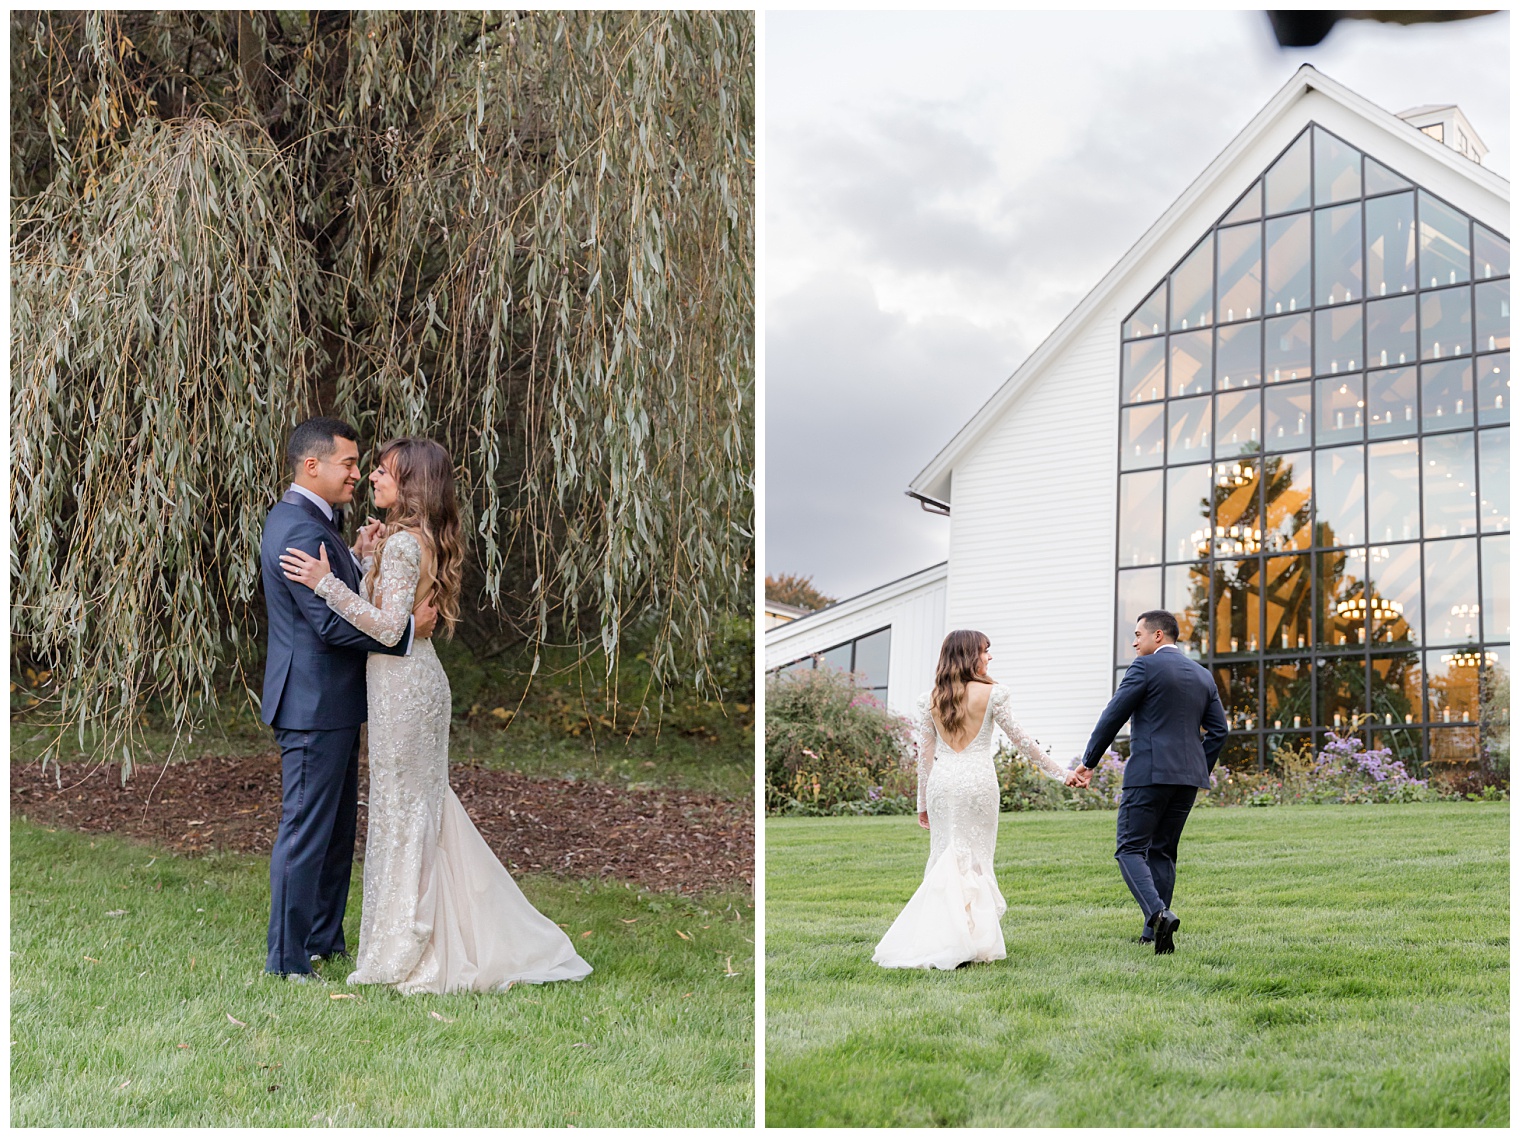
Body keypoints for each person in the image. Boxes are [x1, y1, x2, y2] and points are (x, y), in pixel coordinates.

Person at [280, 436, 591, 993]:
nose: (371, 478)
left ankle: (407, 943)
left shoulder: (404, 545)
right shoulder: (404, 540)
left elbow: (385, 625)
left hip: (403, 689)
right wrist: (364, 557)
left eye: (382, 472)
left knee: (404, 812)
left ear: (411, 485)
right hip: (408, 683)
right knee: (415, 810)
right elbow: (395, 610)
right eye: (367, 468)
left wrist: (323, 582)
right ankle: (432, 931)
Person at [260, 416, 438, 982]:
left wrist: (355, 558)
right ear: (312, 466)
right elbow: (328, 626)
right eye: (350, 464)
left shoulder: (318, 521)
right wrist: (407, 632)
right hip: (312, 706)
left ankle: (322, 939)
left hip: (332, 704)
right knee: (307, 830)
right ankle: (286, 960)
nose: (358, 475)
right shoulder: (296, 528)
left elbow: (341, 596)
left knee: (335, 833)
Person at [873, 629, 1069, 970]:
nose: (989, 657)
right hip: (978, 782)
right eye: (986, 650)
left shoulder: (931, 698)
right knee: (976, 858)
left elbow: (925, 758)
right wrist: (1062, 773)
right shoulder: (994, 695)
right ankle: (972, 941)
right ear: (970, 655)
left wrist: (921, 803)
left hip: (942, 783)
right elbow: (1023, 743)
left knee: (946, 855)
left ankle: (948, 937)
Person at [1068, 610, 1228, 954]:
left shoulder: (1143, 668)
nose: (1133, 641)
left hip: (1149, 774)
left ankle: (1157, 915)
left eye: (1138, 634)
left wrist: (1088, 762)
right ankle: (1151, 934)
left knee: (1129, 848)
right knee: (1163, 851)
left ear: (1158, 636)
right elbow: (1220, 731)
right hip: (1188, 780)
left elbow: (1114, 714)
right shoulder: (1203, 676)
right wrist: (1199, 768)